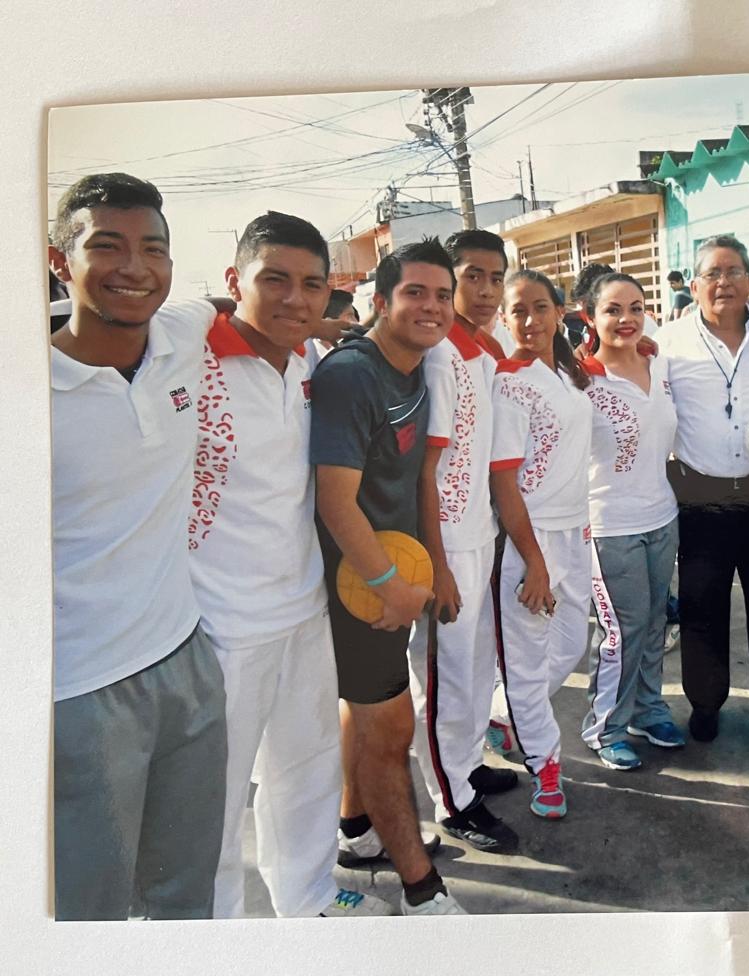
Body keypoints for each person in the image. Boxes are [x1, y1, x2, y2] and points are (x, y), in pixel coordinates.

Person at [187, 212, 391, 918]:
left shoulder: (310, 362)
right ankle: (215, 931)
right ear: (234, 279)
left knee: (305, 770)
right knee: (211, 798)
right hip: (219, 626)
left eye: (311, 285)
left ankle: (307, 901)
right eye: (274, 279)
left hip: (305, 606)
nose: (294, 299)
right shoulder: (188, 358)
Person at [49, 172, 228, 920]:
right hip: (78, 691)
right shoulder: (27, 393)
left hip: (188, 659)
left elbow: (230, 307)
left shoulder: (179, 335)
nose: (135, 267)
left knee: (185, 894)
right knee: (87, 911)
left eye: (153, 249)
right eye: (107, 246)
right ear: (59, 261)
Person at [310, 237, 465, 915]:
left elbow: (415, 480)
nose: (432, 307)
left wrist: (436, 567)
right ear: (379, 300)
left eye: (442, 295)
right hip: (359, 590)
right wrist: (388, 588)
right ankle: (421, 890)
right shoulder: (354, 374)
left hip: (391, 577)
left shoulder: (420, 366)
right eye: (415, 293)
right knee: (391, 732)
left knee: (367, 715)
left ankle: (356, 829)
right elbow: (334, 500)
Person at [654, 235, 749, 747]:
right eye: (712, 273)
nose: (723, 282)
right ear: (694, 285)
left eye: (734, 271)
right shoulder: (669, 342)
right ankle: (705, 703)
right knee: (703, 607)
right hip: (701, 492)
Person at [404, 228, 520, 857]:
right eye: (472, 276)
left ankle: (468, 765)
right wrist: (438, 564)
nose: (486, 290)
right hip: (444, 545)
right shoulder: (441, 356)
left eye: (495, 277)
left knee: (475, 669)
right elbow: (426, 470)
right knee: (444, 678)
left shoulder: (483, 352)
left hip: (480, 536)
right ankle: (451, 800)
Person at [490, 270, 593, 818]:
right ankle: (545, 765)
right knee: (528, 661)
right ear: (504, 319)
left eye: (540, 307)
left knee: (572, 645)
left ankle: (498, 711)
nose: (530, 320)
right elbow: (504, 481)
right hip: (530, 538)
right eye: (518, 311)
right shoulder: (510, 382)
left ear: (559, 311)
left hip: (575, 532)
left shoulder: (569, 374)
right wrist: (533, 561)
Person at [577, 272, 684, 769]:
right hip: (609, 525)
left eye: (636, 308)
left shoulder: (659, 363)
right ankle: (606, 727)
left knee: (656, 621)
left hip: (661, 516)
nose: (626, 319)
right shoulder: (580, 379)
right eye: (613, 309)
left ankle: (648, 709)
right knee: (622, 629)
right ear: (590, 316)